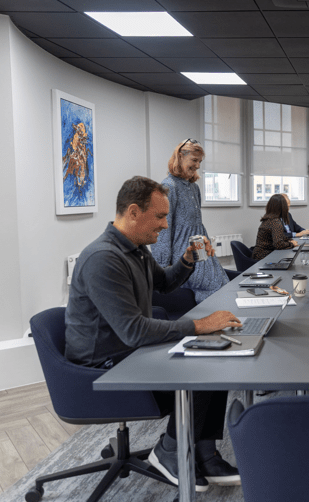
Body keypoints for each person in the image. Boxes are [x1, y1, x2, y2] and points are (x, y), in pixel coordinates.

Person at [65, 176, 242, 491]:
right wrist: (199, 325)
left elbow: (165, 284)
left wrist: (188, 259)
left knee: (216, 355)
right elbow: (133, 331)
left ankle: (204, 451)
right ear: (133, 212)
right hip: (101, 369)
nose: (164, 225)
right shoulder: (102, 259)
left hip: (126, 351)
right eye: (160, 216)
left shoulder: (136, 249)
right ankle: (170, 449)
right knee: (200, 363)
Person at [152, 139, 230, 304]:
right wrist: (163, 269)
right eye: (194, 160)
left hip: (199, 251)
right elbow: (161, 230)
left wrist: (205, 255)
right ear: (180, 157)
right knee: (213, 285)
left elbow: (197, 227)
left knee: (223, 281)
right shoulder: (168, 187)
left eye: (200, 161)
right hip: (181, 257)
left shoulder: (194, 188)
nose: (198, 165)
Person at [251, 194, 299, 260]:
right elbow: (278, 244)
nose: (288, 209)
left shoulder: (270, 218)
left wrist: (289, 240)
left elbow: (280, 236)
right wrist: (291, 244)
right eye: (287, 207)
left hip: (259, 254)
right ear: (281, 208)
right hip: (263, 257)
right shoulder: (275, 222)